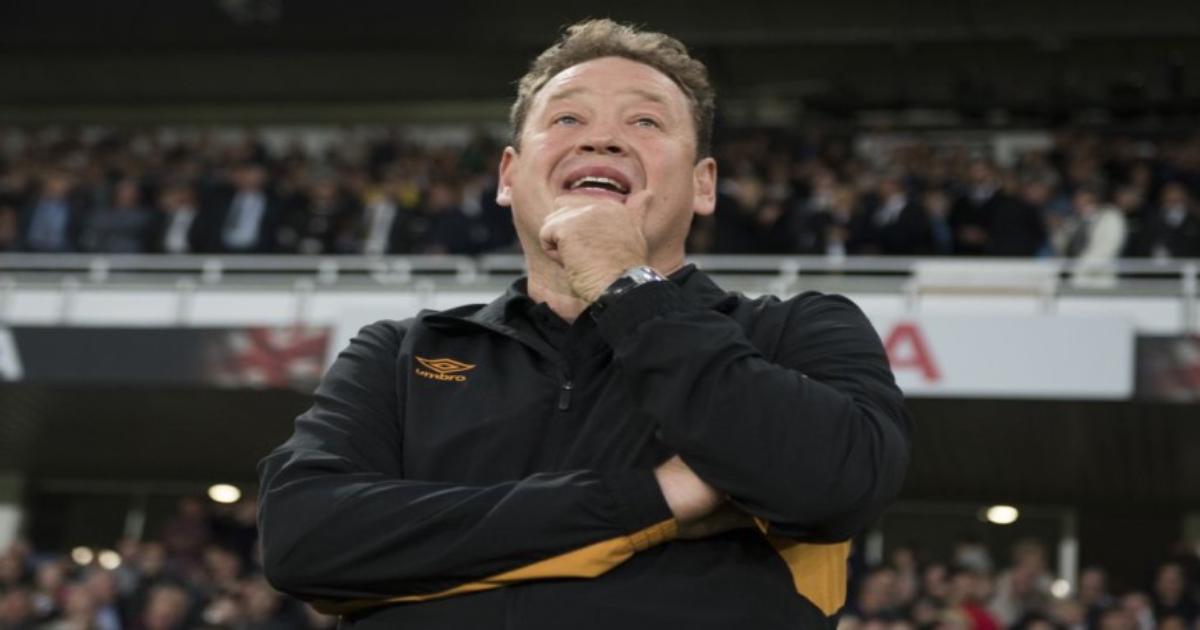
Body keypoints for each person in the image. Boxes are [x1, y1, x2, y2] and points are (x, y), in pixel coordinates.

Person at [257, 19, 911, 629]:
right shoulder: (401, 353)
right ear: (509, 176)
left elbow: (834, 485)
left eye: (646, 121)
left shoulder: (796, 332)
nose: (601, 139)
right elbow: (303, 539)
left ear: (703, 185)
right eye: (567, 118)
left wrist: (623, 283)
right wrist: (656, 498)